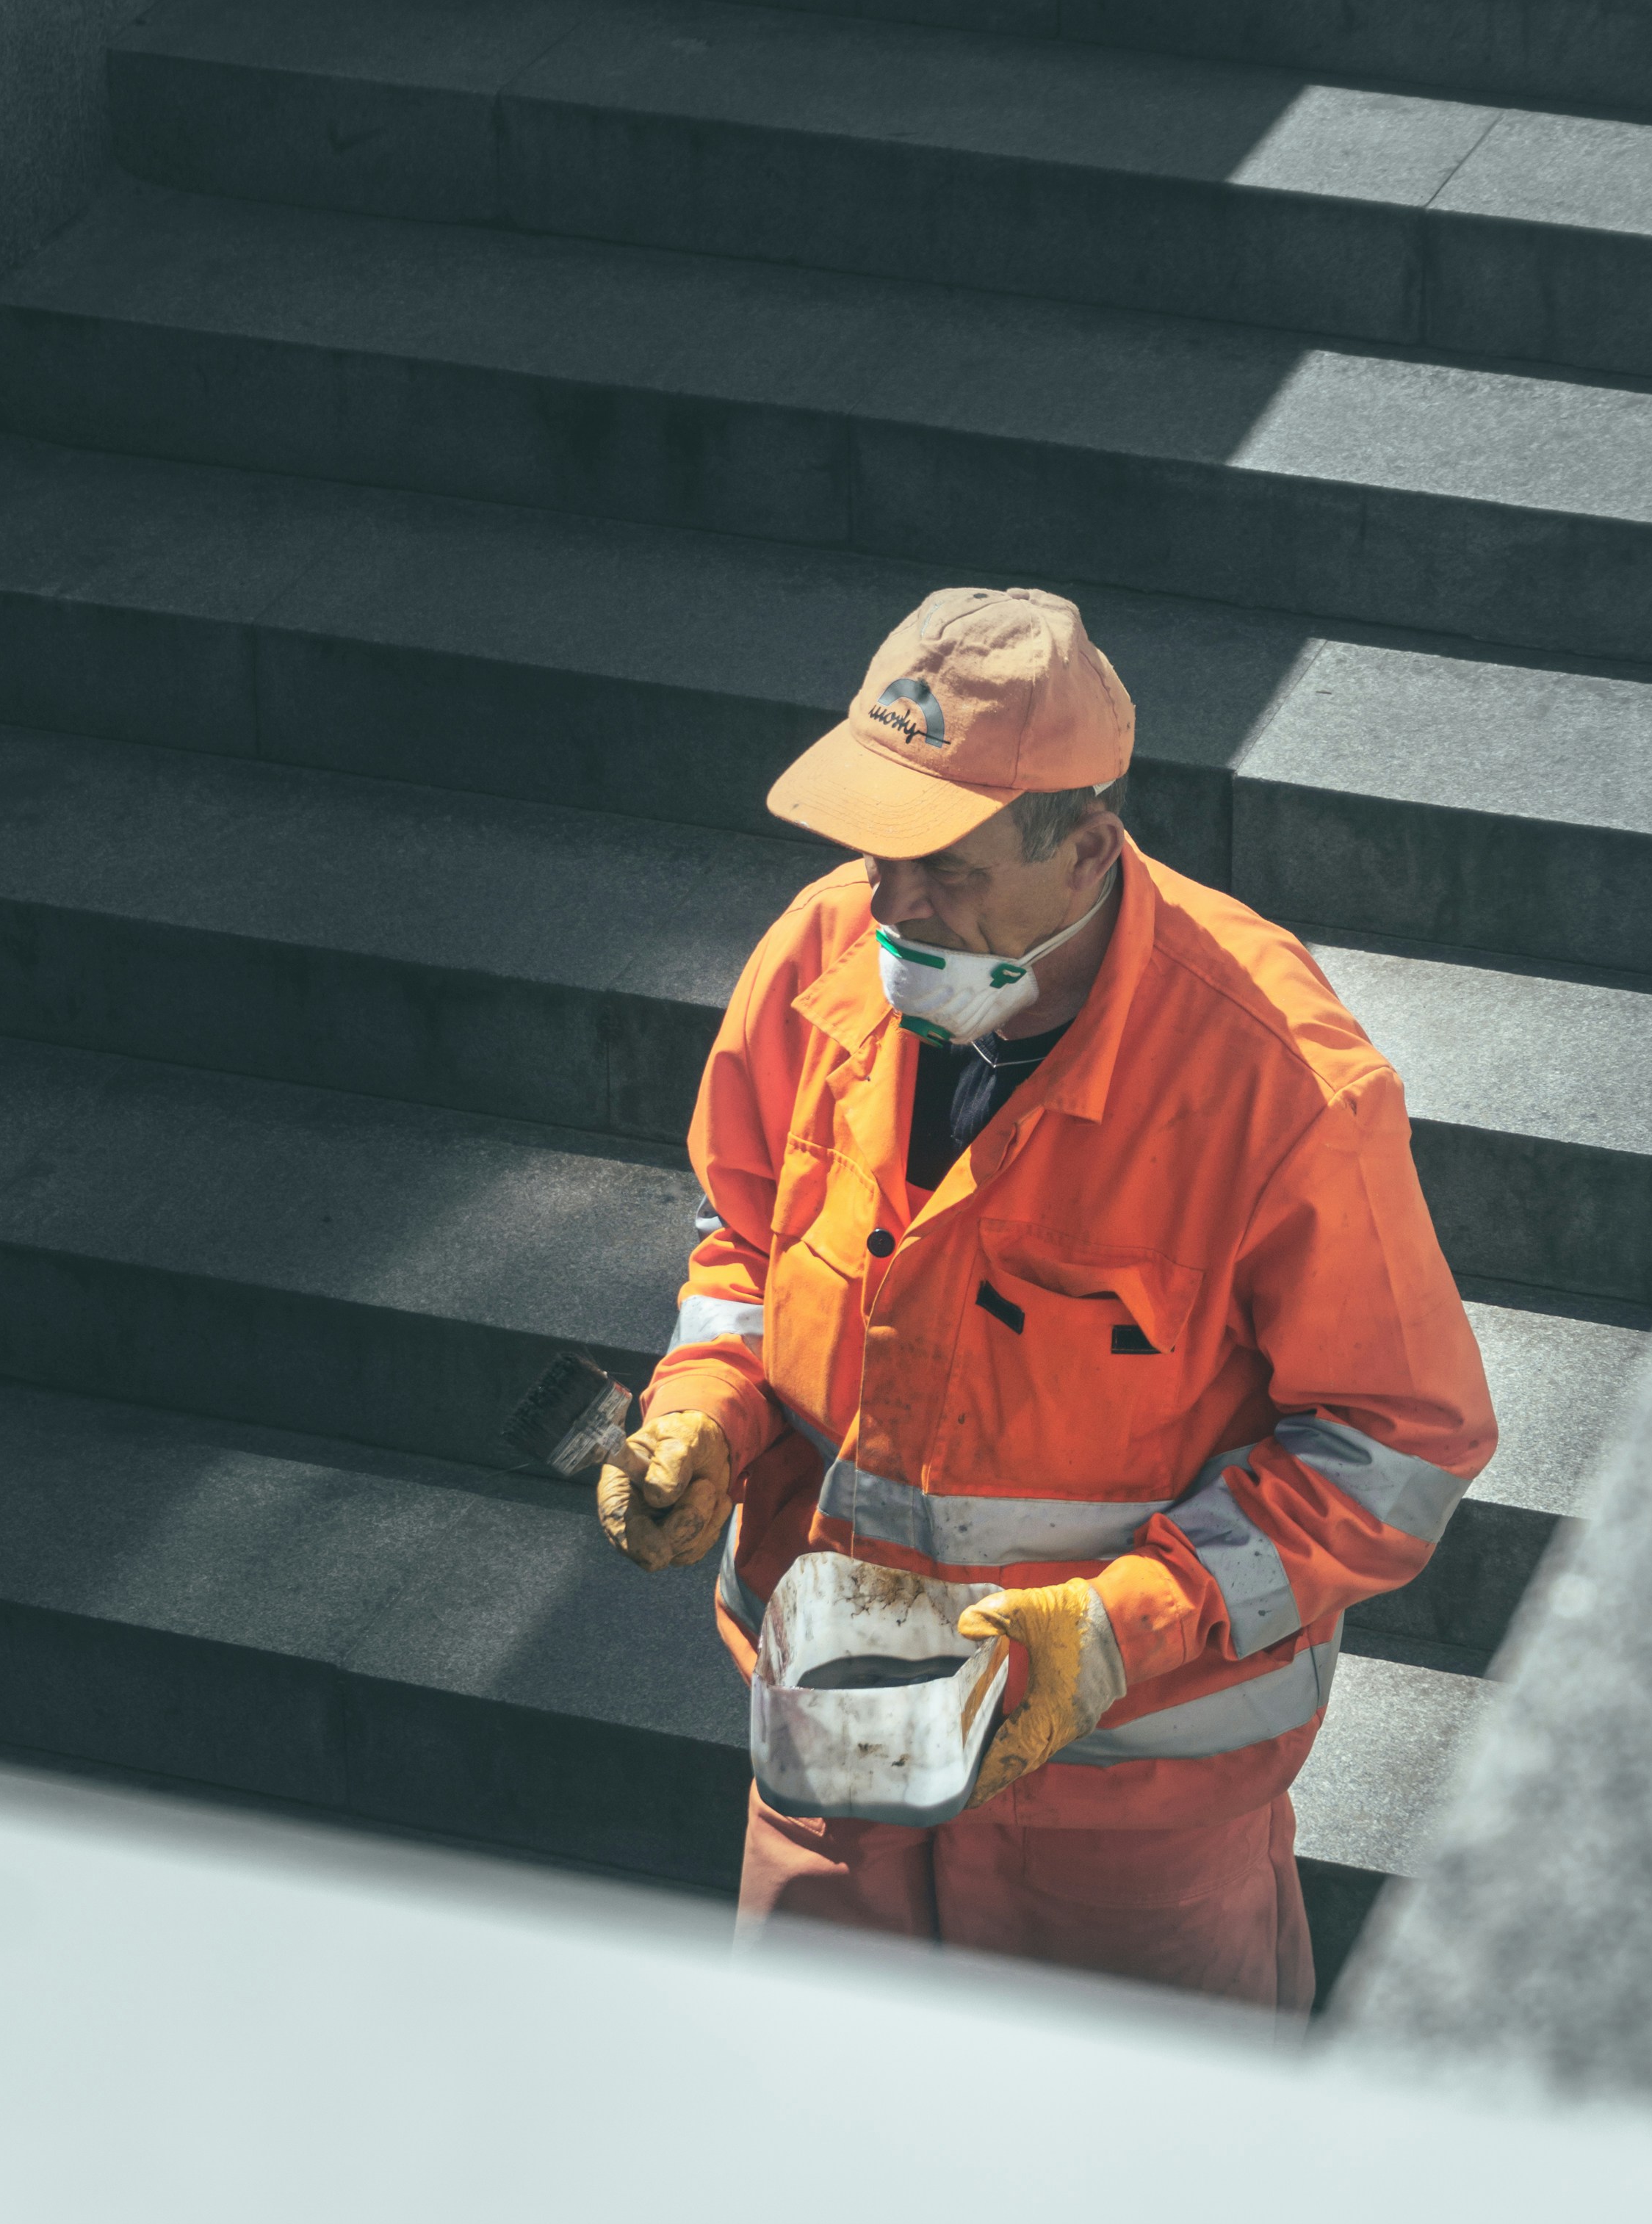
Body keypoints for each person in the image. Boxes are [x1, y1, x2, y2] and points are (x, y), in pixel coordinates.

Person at [598, 586, 1496, 2012]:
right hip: (837, 1774)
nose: (887, 902)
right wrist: (703, 1416)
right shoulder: (818, 966)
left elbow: (1397, 1447)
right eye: (877, 851)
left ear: (1085, 848)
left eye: (943, 867)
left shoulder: (1275, 1081)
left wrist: (1114, 1631)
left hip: (1124, 1829)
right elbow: (742, 1250)